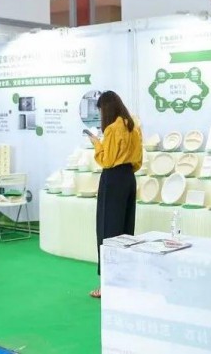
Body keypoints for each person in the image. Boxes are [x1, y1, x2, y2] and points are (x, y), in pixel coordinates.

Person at [86, 91, 142, 299]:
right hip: (129, 178)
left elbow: (107, 160)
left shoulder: (112, 129)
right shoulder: (133, 126)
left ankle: (107, 285)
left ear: (106, 109)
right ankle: (124, 281)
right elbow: (138, 160)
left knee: (107, 231)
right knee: (125, 230)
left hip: (113, 179)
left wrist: (96, 143)